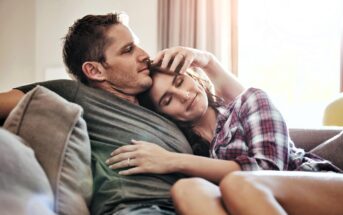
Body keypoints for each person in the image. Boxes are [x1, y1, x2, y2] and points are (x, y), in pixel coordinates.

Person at [105, 46, 343, 214]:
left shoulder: (250, 100)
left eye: (180, 81)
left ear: (194, 78)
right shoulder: (193, 150)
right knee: (187, 189)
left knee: (239, 183)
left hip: (319, 185)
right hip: (259, 206)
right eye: (168, 100)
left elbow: (267, 168)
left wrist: (172, 161)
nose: (183, 94)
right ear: (164, 116)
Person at [0, 12, 197, 215]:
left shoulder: (159, 100)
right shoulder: (75, 94)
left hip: (190, 204)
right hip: (139, 208)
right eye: (128, 50)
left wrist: (203, 61)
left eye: (137, 45)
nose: (144, 55)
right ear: (95, 71)